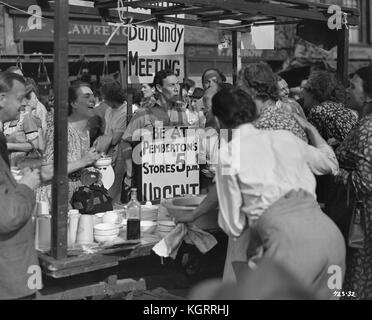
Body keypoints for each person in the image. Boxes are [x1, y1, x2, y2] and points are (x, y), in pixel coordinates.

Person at [212, 88, 344, 299]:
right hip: (330, 236)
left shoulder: (229, 153)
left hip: (287, 243)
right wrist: (311, 129)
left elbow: (233, 225)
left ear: (218, 121)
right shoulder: (286, 138)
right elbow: (329, 163)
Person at [0, 71, 41, 300]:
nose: (25, 102)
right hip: (10, 277)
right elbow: (6, 215)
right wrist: (26, 186)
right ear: (2, 99)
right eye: (20, 97)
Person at [121, 70, 188, 200]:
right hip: (148, 182)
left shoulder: (181, 112)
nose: (176, 88)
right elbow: (125, 141)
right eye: (171, 85)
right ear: (159, 88)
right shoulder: (143, 114)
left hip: (175, 180)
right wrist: (130, 173)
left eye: (177, 84)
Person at [335, 66, 372, 300]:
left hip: (365, 221)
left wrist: (334, 169)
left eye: (352, 86)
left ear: (368, 95)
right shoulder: (365, 123)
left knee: (360, 280)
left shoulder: (368, 128)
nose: (347, 91)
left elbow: (366, 182)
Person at [40, 81, 101, 202]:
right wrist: (83, 161)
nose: (93, 99)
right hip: (55, 201)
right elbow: (45, 172)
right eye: (86, 96)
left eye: (93, 95)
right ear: (74, 103)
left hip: (77, 198)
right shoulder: (60, 132)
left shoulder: (85, 131)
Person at [238, 62, 308, 142]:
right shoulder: (289, 120)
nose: (240, 96)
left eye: (242, 90)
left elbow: (230, 152)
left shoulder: (259, 126)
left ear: (252, 90)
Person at [303, 71, 358, 146]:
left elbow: (311, 143)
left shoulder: (318, 111)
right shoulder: (340, 107)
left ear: (312, 92)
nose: (302, 93)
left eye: (304, 88)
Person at [97, 80, 128, 204]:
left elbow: (115, 138)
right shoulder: (108, 111)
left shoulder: (126, 111)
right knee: (107, 182)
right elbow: (107, 133)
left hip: (121, 152)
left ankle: (113, 206)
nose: (104, 101)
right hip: (108, 151)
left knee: (116, 183)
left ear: (112, 97)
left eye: (105, 98)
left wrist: (105, 140)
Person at [3, 81, 44, 167]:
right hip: (10, 164)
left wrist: (8, 146)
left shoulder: (26, 117)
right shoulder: (8, 120)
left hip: (23, 165)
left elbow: (35, 145)